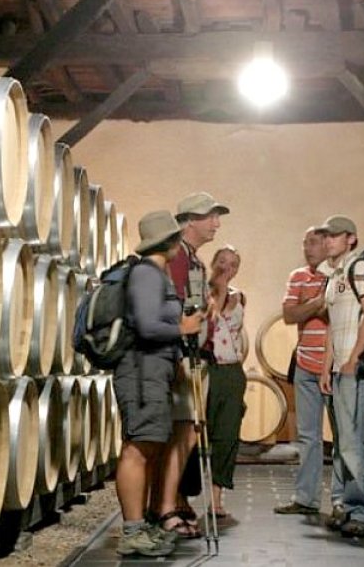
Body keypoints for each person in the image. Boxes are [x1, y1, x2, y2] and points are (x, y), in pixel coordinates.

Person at [113, 210, 205, 557]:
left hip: (154, 371)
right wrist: (183, 328)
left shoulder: (155, 274)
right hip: (140, 372)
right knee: (138, 449)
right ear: (168, 241)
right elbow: (147, 325)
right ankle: (132, 531)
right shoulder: (147, 275)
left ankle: (143, 526)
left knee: (149, 446)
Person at [152, 191, 230, 538]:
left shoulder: (194, 259)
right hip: (183, 357)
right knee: (181, 434)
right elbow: (175, 306)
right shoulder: (180, 259)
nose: (216, 223)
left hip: (194, 355)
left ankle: (174, 500)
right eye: (210, 216)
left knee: (187, 434)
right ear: (188, 222)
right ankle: (165, 507)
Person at [317, 214, 364, 537]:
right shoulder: (334, 275)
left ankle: (363, 510)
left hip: (356, 368)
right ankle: (342, 503)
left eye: (334, 236)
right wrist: (326, 365)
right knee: (343, 440)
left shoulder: (362, 268)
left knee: (356, 439)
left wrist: (353, 358)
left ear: (351, 239)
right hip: (339, 368)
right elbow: (332, 324)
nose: (328, 241)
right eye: (325, 236)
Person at [274, 227, 344, 518]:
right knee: (308, 436)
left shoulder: (341, 275)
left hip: (336, 365)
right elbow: (290, 315)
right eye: (305, 243)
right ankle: (306, 498)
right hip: (305, 364)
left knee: (343, 437)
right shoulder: (298, 276)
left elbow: (337, 314)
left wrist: (316, 305)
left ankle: (341, 501)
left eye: (313, 242)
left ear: (328, 243)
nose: (308, 248)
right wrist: (319, 302)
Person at [204, 245, 248, 518]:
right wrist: (218, 289)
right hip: (208, 370)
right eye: (222, 262)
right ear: (213, 263)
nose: (226, 269)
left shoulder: (241, 296)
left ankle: (217, 498)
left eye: (232, 264)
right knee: (199, 433)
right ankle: (182, 497)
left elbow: (238, 331)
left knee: (227, 435)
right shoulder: (201, 294)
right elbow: (210, 320)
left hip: (232, 372)